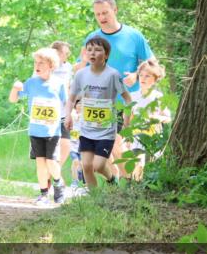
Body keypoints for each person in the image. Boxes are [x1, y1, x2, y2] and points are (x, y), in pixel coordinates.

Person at [77, 0, 157, 175]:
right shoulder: (92, 37)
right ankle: (120, 185)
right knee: (110, 150)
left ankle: (130, 184)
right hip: (99, 102)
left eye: (105, 12)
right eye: (97, 14)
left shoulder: (133, 35)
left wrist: (137, 75)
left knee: (120, 144)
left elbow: (153, 63)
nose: (101, 17)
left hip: (126, 100)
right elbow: (81, 68)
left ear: (115, 10)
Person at [64, 37, 133, 188]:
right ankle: (94, 200)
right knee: (87, 166)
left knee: (98, 165)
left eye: (97, 50)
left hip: (106, 130)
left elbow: (128, 99)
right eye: (89, 50)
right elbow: (71, 98)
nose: (92, 53)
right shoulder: (81, 74)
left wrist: (127, 123)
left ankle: (111, 179)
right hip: (86, 129)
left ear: (106, 54)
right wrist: (68, 115)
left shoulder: (113, 75)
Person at [10, 48, 69, 206]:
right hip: (35, 131)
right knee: (40, 163)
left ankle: (58, 185)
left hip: (52, 131)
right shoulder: (31, 83)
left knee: (51, 162)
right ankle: (43, 194)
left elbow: (67, 102)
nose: (37, 65)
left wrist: (72, 116)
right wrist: (15, 89)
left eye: (41, 63)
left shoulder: (58, 84)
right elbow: (13, 99)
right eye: (36, 62)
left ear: (51, 65)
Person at [128, 60, 171, 181]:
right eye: (141, 75)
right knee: (138, 162)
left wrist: (155, 118)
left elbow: (168, 118)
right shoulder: (133, 96)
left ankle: (142, 188)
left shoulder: (158, 97)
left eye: (147, 76)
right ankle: (134, 189)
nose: (143, 78)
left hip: (153, 137)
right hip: (136, 136)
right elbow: (130, 118)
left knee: (148, 166)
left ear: (155, 78)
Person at [49, 40, 73, 173]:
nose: (67, 55)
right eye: (65, 52)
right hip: (49, 113)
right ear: (56, 53)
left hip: (64, 112)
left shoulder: (68, 66)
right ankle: (48, 178)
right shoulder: (46, 66)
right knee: (50, 149)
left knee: (66, 145)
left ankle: (55, 173)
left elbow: (69, 86)